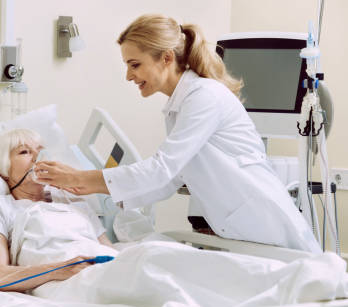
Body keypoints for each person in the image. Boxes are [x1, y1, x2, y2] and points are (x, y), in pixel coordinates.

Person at [34, 14, 321, 254]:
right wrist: (96, 192)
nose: (129, 76)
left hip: (266, 226)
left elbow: (162, 169)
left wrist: (82, 178)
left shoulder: (204, 97)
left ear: (166, 58)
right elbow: (171, 179)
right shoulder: (178, 107)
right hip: (244, 229)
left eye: (135, 64)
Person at [0, 128, 115, 292]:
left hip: (106, 267)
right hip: (64, 284)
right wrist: (60, 270)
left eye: (41, 151)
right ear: (4, 168)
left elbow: (109, 250)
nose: (37, 158)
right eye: (25, 152)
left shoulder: (75, 201)